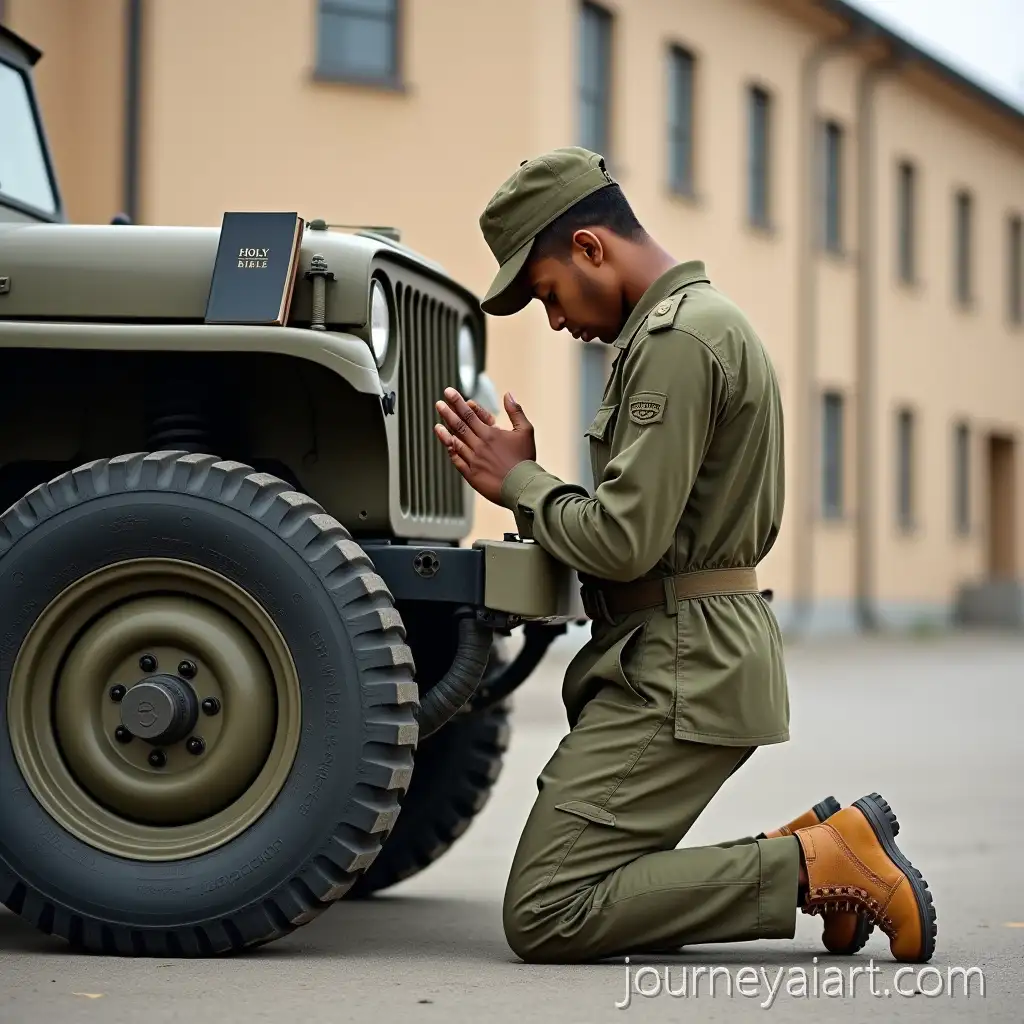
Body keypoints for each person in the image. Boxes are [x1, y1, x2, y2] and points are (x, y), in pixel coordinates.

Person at [432, 147, 936, 965]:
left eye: (548, 294)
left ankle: (821, 866)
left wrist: (518, 480)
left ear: (591, 247)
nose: (555, 321)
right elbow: (645, 526)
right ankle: (821, 853)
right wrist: (536, 485)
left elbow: (625, 542)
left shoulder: (678, 339)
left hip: (680, 666)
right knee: (580, 875)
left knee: (548, 907)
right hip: (680, 655)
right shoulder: (689, 329)